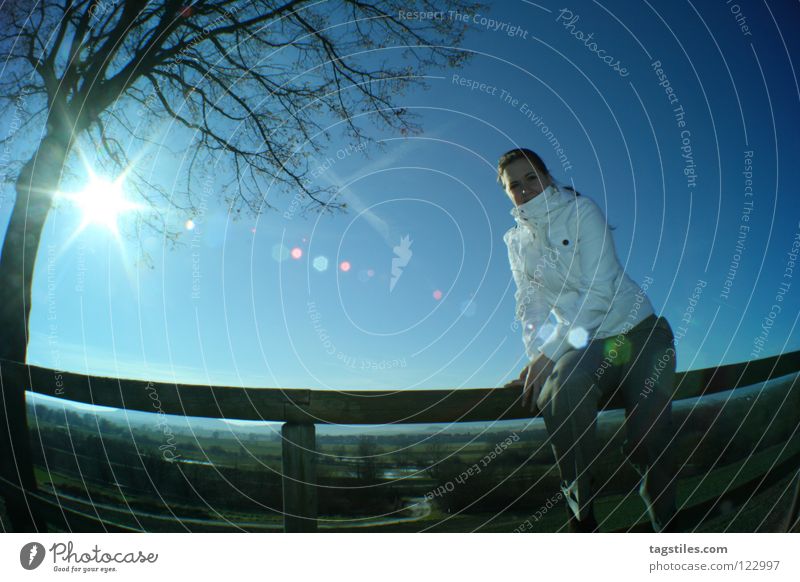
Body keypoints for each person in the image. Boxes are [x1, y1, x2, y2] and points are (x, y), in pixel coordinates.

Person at [498, 148, 678, 533]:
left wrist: (549, 353)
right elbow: (529, 303)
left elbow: (599, 294)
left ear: (546, 175)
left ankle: (667, 529)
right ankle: (582, 513)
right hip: (585, 341)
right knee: (561, 389)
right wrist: (536, 358)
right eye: (514, 184)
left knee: (649, 435)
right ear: (507, 194)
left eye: (531, 176)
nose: (525, 188)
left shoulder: (583, 212)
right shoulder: (516, 242)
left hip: (638, 329)